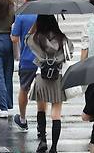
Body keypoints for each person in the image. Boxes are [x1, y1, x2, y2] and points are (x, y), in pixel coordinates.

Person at [26, 15, 74, 153]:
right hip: (57, 77)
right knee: (56, 114)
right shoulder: (63, 39)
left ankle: (42, 141)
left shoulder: (36, 38)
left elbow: (26, 40)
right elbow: (70, 52)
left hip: (42, 76)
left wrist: (34, 26)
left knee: (41, 109)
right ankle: (54, 147)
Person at [11, 0, 40, 131]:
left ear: (24, 0)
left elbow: (15, 38)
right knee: (42, 91)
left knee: (24, 88)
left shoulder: (21, 15)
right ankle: (42, 123)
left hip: (27, 59)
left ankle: (22, 118)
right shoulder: (44, 14)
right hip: (43, 60)